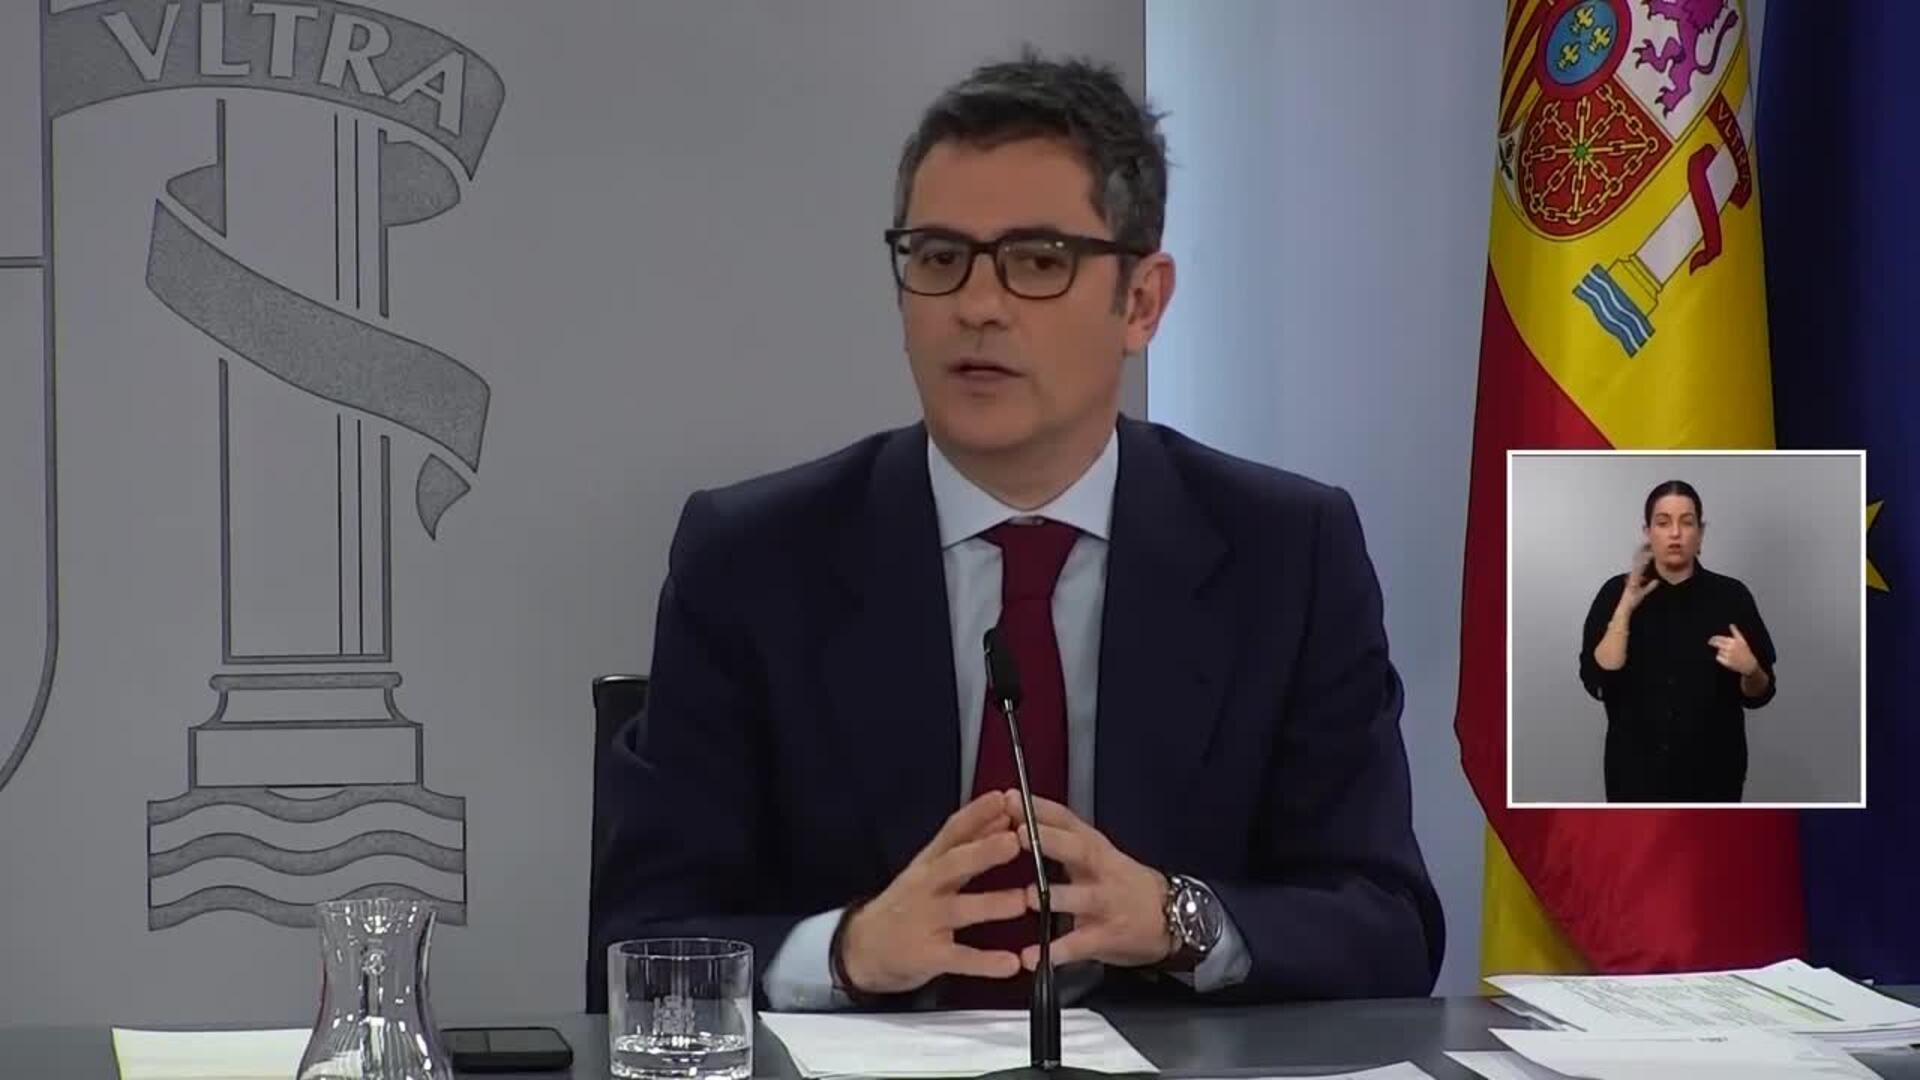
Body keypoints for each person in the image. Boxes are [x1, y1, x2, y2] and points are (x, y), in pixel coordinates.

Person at [591, 52, 1442, 1010]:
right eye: (938, 257)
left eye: (1038, 260)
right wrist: (848, 951)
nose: (977, 306)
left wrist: (1177, 918)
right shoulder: (753, 559)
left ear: (1142, 302)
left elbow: (1387, 927)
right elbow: (638, 943)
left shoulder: (1287, 554)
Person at [1580, 480, 1778, 802]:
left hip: (1715, 778)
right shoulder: (1614, 593)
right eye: (1663, 522)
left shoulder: (1732, 597)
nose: (1675, 533)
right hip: (1633, 777)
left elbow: (1761, 693)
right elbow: (1598, 679)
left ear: (1700, 534)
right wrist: (1626, 606)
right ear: (1648, 533)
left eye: (1687, 522)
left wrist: (1751, 669)